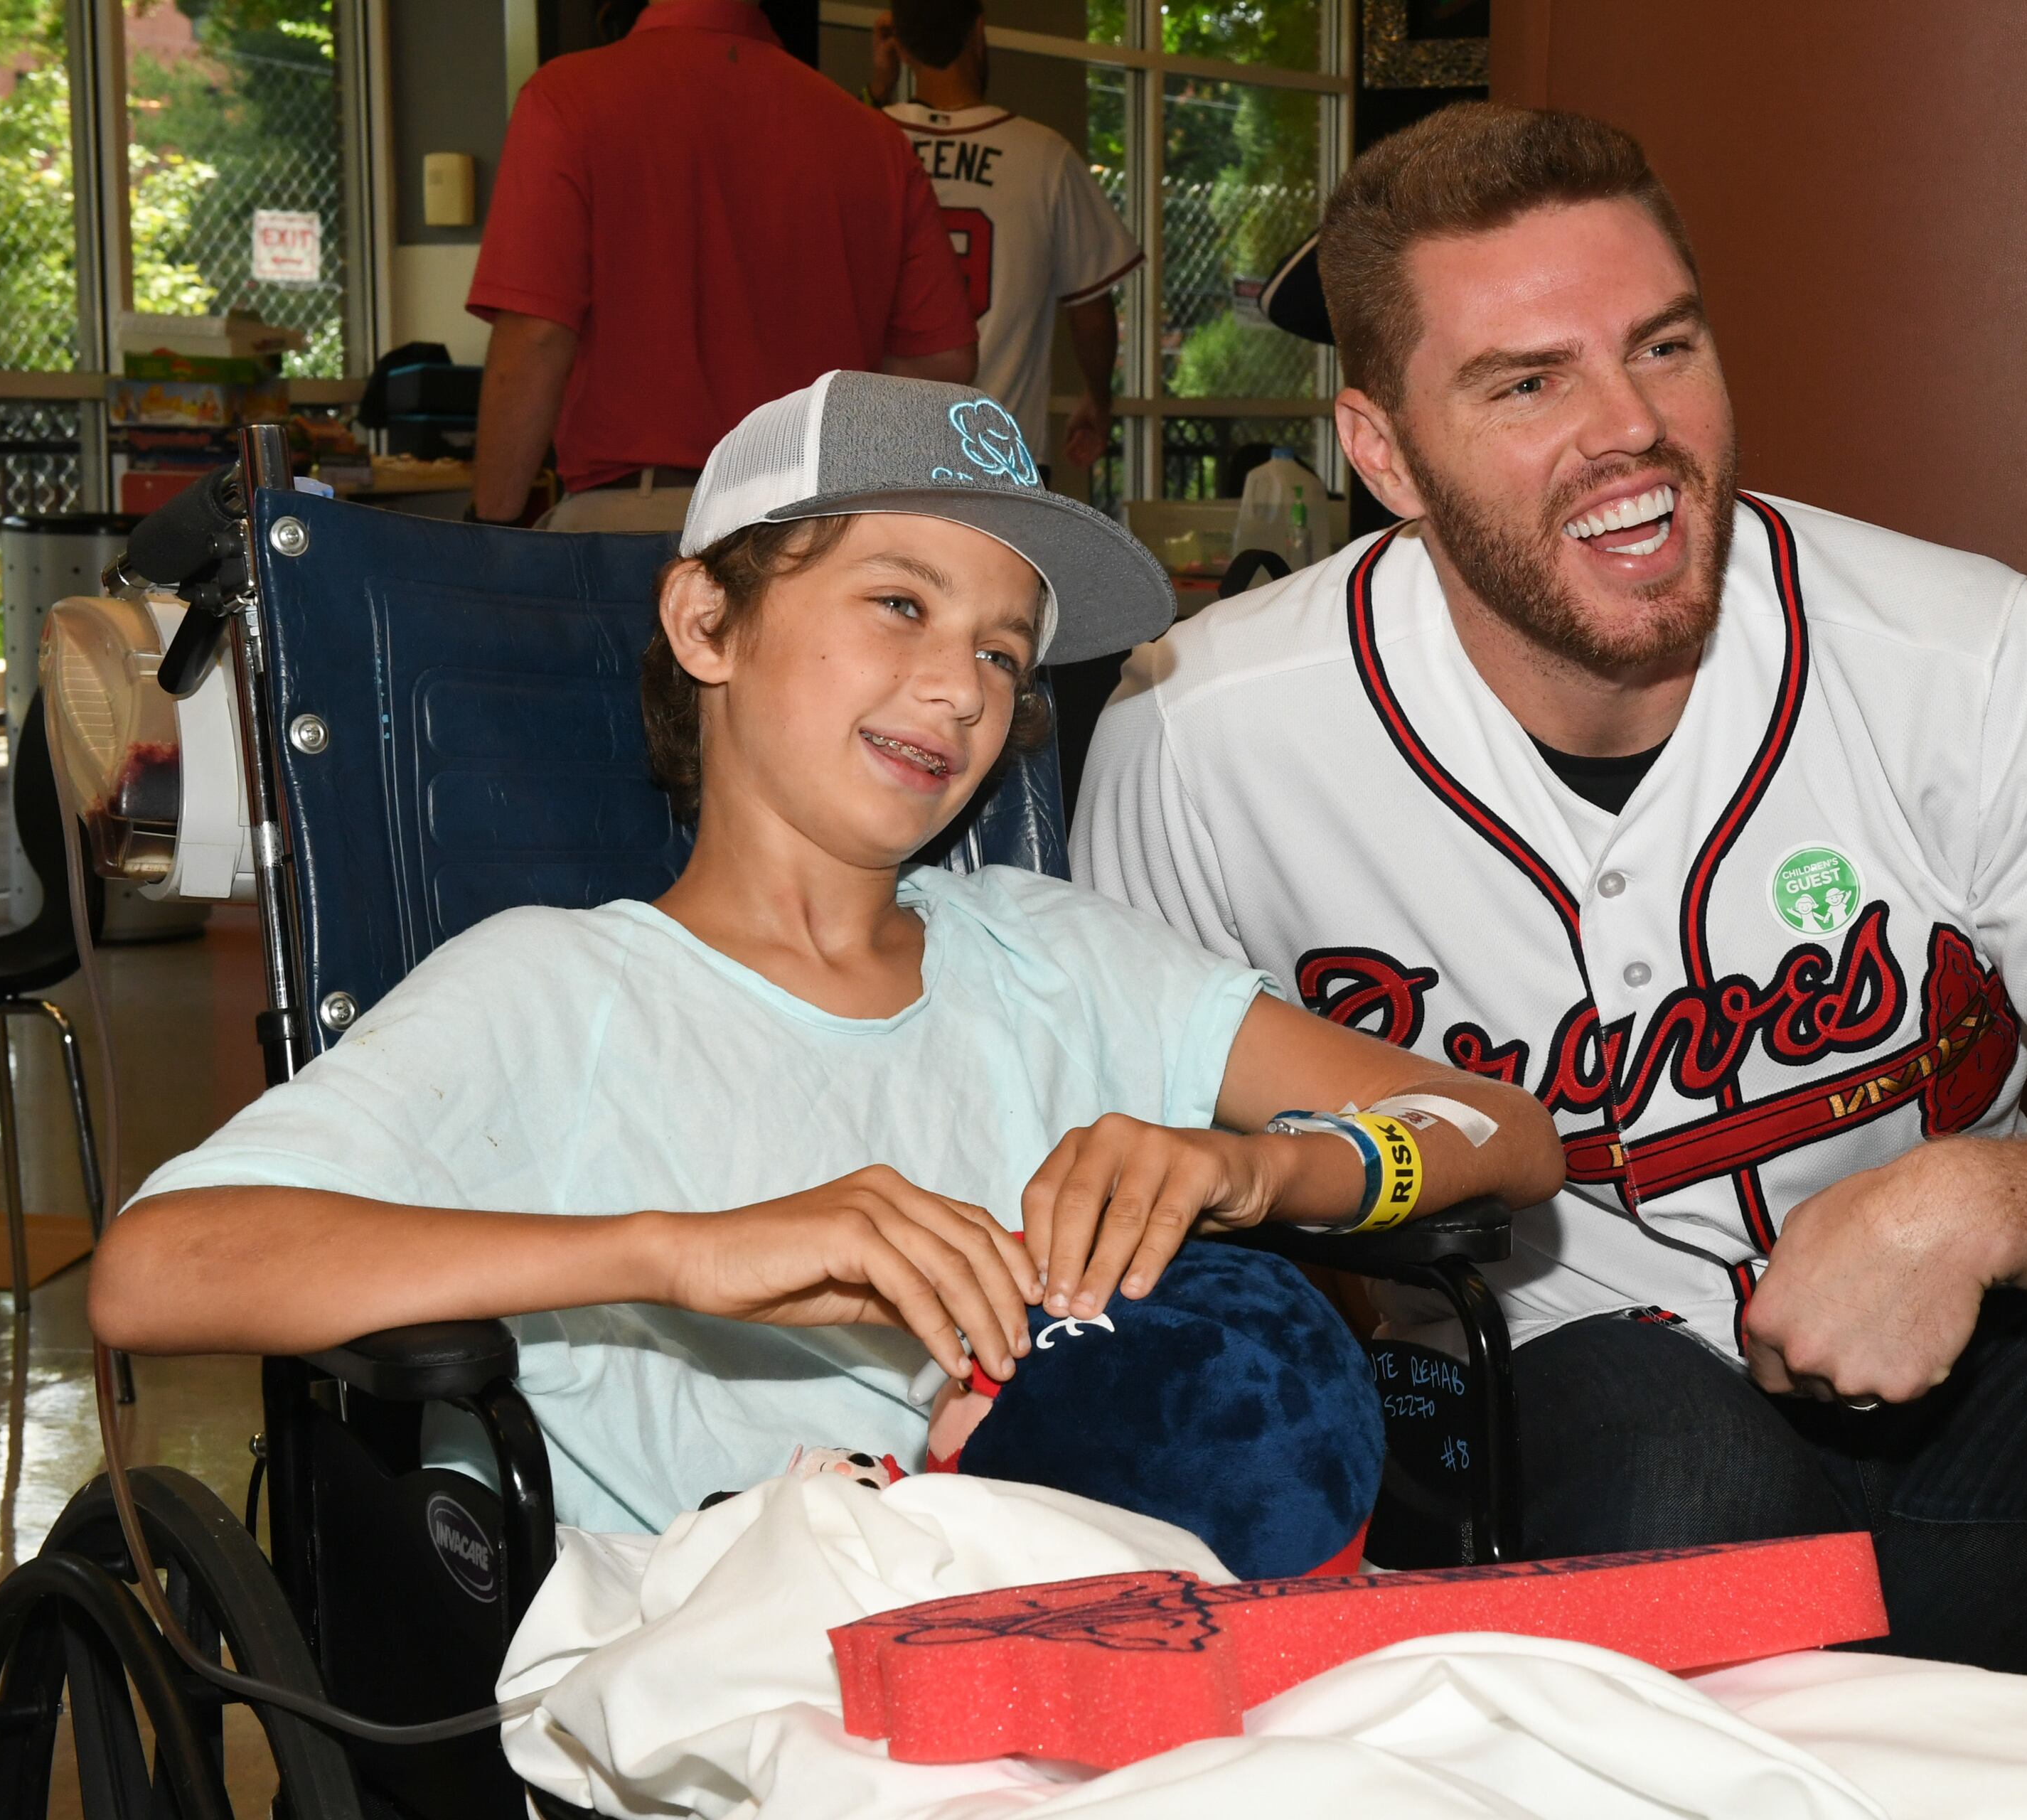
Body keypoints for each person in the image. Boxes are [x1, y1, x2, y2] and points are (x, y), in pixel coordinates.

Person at [1070, 105, 2027, 1820]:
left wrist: (1977, 1205)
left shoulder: (1959, 654)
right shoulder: (1202, 737)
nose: (1631, 432)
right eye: (1524, 383)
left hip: (1974, 1373)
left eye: (1663, 345)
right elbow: (1153, 1240)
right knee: (1676, 1467)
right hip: (1538, 1404)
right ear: (1378, 448)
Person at [90, 371, 1563, 1536]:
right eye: (901, 602)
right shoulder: (552, 992)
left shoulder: (1060, 955)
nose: (961, 685)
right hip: (741, 1687)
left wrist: (1266, 1166)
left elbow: (1502, 1131)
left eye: (1002, 648)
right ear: (707, 617)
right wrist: (681, 1252)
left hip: (1100, 1649)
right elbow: (156, 1271)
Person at [466, 0, 980, 535]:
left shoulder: (568, 98)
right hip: (811, 529)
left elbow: (536, 337)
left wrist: (489, 527)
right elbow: (944, 361)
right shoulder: (875, 141)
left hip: (637, 526)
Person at [870, 0, 1140, 472]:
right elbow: (1092, 316)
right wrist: (1098, 399)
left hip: (887, 453)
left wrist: (878, 89)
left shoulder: (871, 141)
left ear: (901, 49)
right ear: (979, 31)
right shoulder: (1043, 154)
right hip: (999, 457)